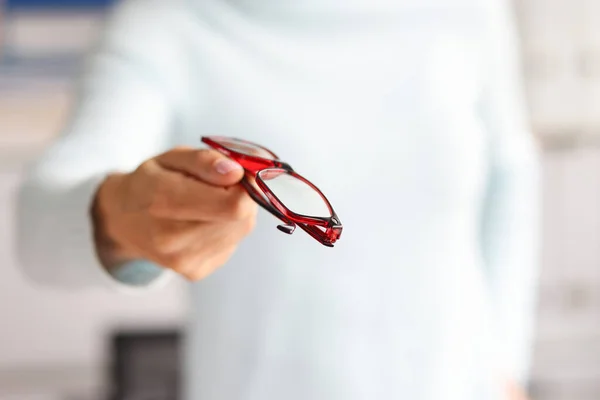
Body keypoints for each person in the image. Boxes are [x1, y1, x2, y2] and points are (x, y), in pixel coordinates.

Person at [16, 0, 539, 399]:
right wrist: (123, 215)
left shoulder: (468, 12)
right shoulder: (169, 20)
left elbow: (511, 175)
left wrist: (506, 369)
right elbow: (38, 226)